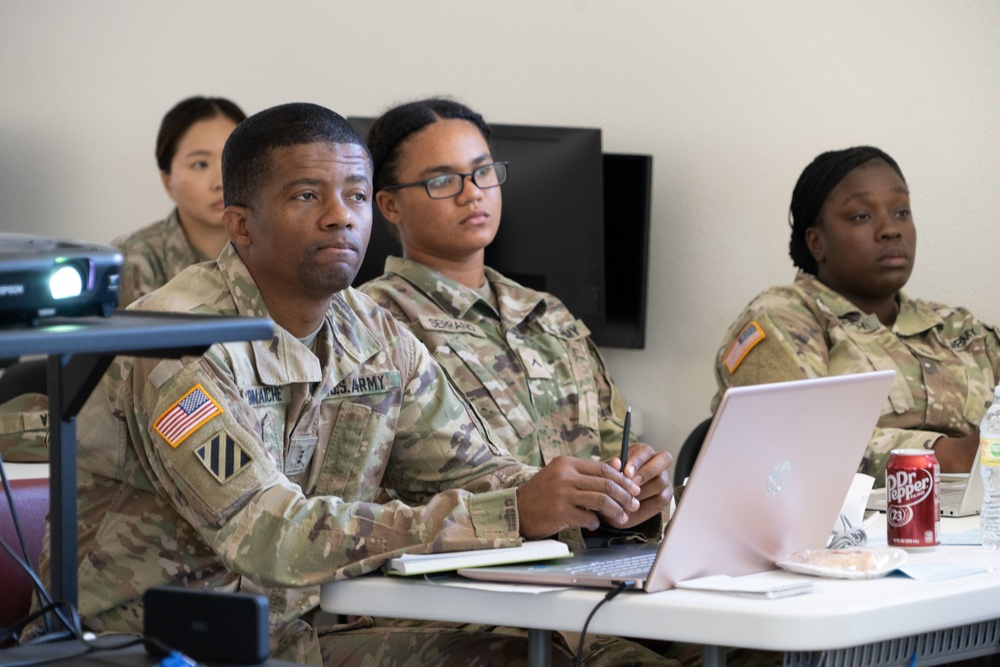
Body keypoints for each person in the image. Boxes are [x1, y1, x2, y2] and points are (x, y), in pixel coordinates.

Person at [38, 102, 670, 667]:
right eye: (307, 196)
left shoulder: (373, 332)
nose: (342, 218)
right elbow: (269, 536)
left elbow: (471, 472)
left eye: (358, 195)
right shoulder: (177, 342)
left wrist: (593, 501)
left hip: (307, 627)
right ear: (241, 224)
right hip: (163, 646)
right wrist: (509, 513)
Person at [358, 98, 671, 536]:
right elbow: (354, 504)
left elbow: (608, 440)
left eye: (483, 171)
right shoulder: (370, 322)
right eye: (444, 181)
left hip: (575, 580)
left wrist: (636, 487)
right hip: (451, 589)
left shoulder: (548, 314)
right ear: (389, 206)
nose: (472, 193)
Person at [712, 146, 1000, 486]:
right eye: (861, 216)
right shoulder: (783, 318)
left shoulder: (955, 326)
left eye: (901, 212)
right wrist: (946, 456)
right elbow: (791, 450)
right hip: (846, 532)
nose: (890, 230)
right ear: (816, 242)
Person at [111, 96, 246, 307]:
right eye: (200, 164)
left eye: (231, 161)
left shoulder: (277, 247)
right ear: (168, 182)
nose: (220, 182)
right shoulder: (133, 256)